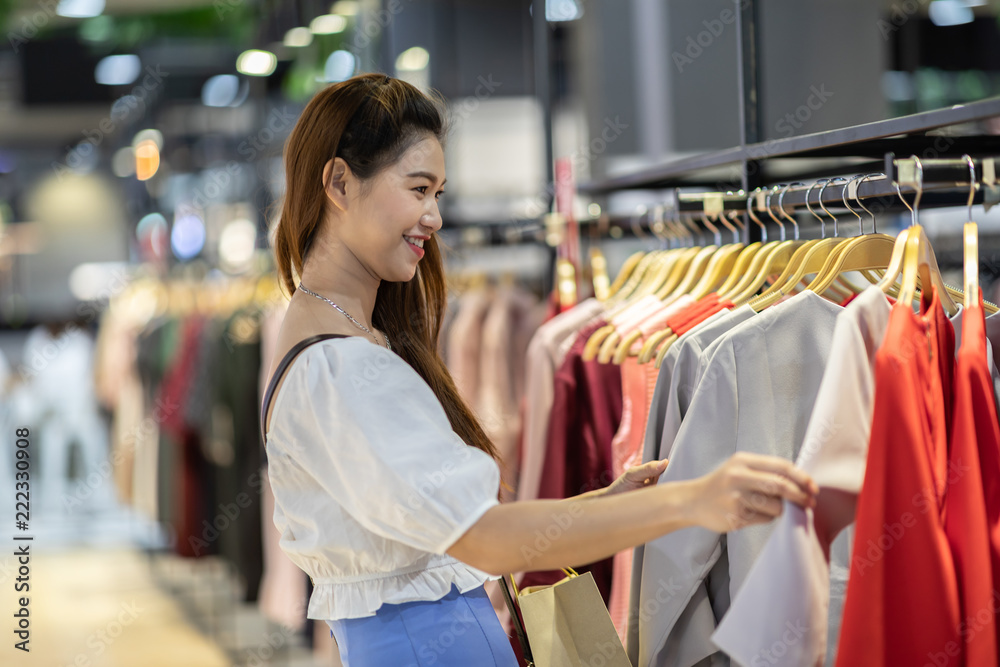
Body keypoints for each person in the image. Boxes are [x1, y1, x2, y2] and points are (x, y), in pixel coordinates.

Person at [261, 72, 818, 667]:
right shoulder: (339, 367)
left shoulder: (347, 341)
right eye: (418, 189)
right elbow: (486, 538)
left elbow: (452, 531)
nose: (434, 217)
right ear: (339, 182)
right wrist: (692, 503)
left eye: (438, 195)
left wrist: (605, 501)